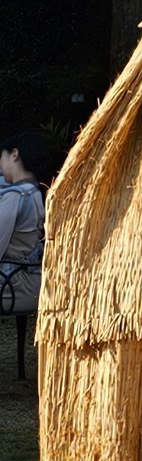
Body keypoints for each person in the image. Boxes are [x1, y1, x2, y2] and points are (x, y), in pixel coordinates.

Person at [0, 131, 50, 320]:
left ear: (14, 154)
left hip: (11, 286)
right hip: (32, 282)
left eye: (1, 157)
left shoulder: (16, 196)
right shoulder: (37, 190)